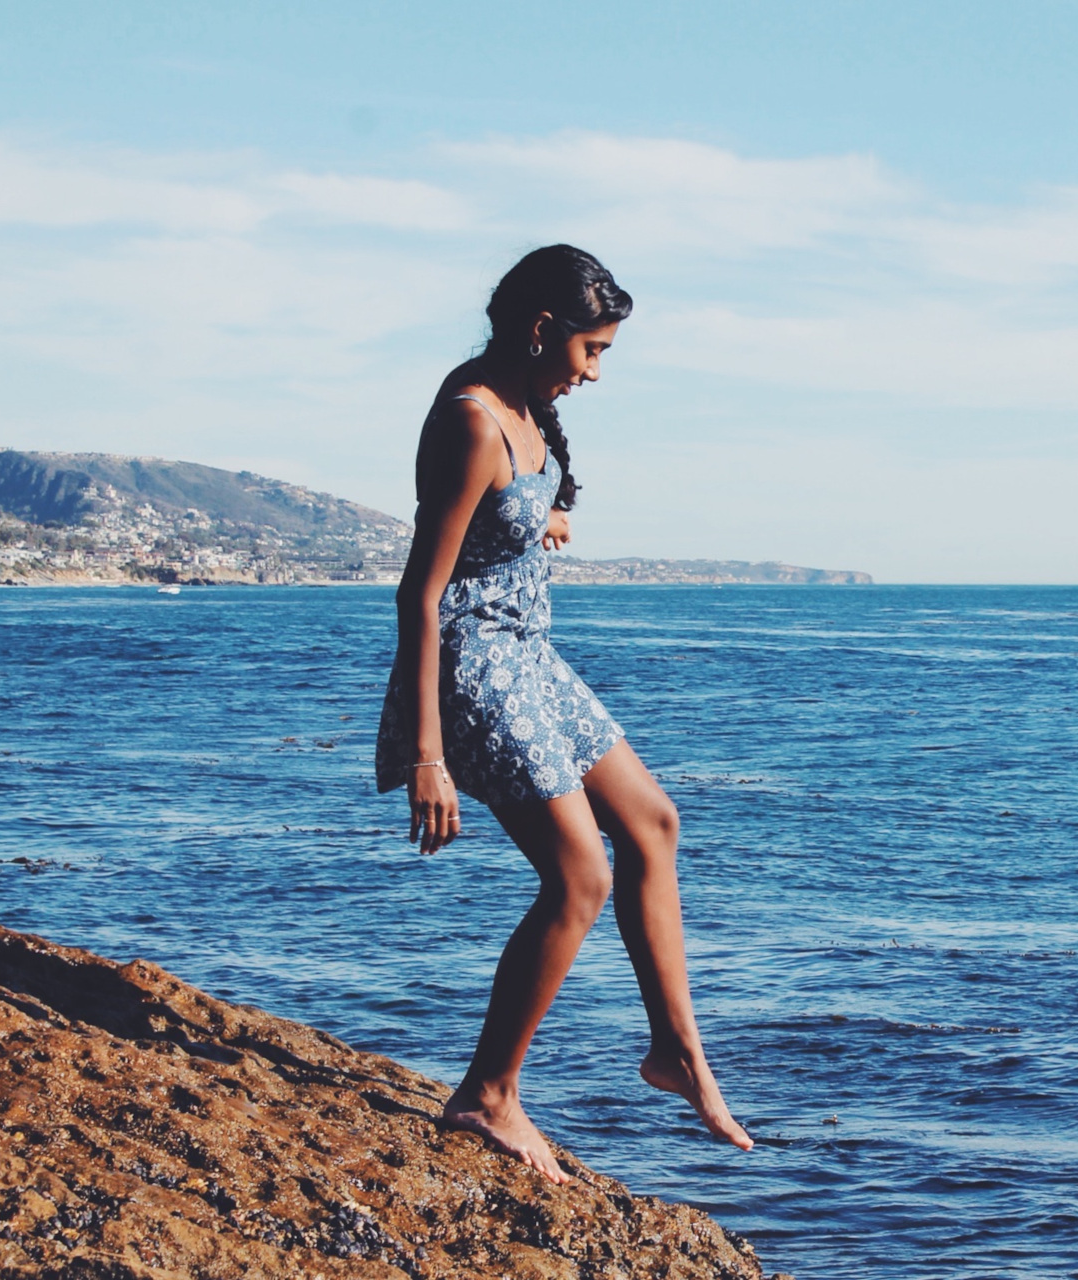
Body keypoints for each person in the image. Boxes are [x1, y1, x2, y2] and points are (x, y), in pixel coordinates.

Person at [375, 244, 752, 1182]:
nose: (594, 371)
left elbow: (505, 516)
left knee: (654, 824)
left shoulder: (525, 405)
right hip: (473, 665)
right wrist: (428, 753)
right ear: (543, 329)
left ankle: (678, 1052)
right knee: (579, 872)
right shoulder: (471, 419)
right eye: (591, 350)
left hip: (530, 656)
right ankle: (488, 1095)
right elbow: (419, 595)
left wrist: (539, 519)